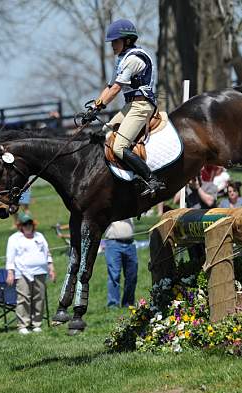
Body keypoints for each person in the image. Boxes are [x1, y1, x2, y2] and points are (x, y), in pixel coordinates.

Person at [80, 19, 165, 198]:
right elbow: (109, 87)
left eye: (115, 41)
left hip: (142, 106)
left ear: (126, 40)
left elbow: (117, 89)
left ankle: (152, 180)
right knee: (103, 132)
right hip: (131, 105)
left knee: (119, 147)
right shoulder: (122, 60)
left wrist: (99, 107)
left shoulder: (133, 59)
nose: (112, 45)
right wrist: (94, 107)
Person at [5, 213, 56, 334]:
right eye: (25, 224)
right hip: (22, 273)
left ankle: (37, 323)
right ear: (20, 226)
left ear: (33, 225)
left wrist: (51, 268)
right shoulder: (14, 239)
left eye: (29, 224)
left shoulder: (39, 236)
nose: (28, 227)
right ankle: (23, 325)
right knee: (23, 299)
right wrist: (10, 272)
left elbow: (47, 253)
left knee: (39, 298)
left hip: (40, 272)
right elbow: (10, 257)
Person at [104, 219, 138, 308]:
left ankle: (128, 303)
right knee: (114, 275)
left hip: (130, 243)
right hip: (113, 243)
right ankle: (113, 304)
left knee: (132, 275)